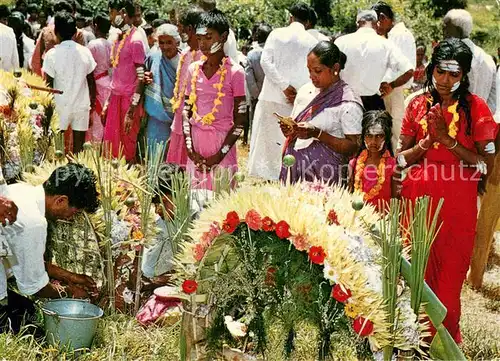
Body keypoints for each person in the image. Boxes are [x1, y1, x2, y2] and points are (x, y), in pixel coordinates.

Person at [396, 38, 498, 342]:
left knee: (450, 280)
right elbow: (401, 158)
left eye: (454, 75)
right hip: (417, 201)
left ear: (464, 76)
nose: (445, 81)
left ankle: (444, 344)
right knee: (416, 273)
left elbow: (486, 166)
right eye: (441, 72)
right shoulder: (416, 103)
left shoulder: (476, 109)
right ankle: (410, 342)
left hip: (457, 204)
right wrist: (427, 143)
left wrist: (447, 140)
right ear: (432, 69)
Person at [0, 163, 100, 334]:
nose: (70, 218)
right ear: (61, 200)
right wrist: (70, 293)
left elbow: (31, 260)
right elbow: (34, 288)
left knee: (27, 309)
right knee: (34, 333)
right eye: (74, 212)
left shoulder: (21, 190)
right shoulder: (34, 223)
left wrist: (71, 276)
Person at [248, 2, 318, 181]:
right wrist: (296, 91)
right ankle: (285, 175)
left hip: (272, 95)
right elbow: (313, 70)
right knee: (289, 139)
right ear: (308, 22)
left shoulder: (277, 33)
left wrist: (283, 86)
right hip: (296, 100)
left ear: (290, 18)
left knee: (265, 141)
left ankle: (263, 177)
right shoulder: (312, 41)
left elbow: (266, 62)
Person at [279, 41, 363, 185]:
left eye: (317, 71)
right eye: (309, 70)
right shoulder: (307, 91)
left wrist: (317, 134)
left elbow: (353, 147)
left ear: (335, 68)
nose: (311, 76)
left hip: (326, 178)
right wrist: (290, 129)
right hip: (297, 170)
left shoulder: (348, 103)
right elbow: (298, 125)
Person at [182, 9, 246, 190]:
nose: (202, 43)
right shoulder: (193, 69)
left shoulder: (235, 73)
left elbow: (240, 120)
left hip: (222, 145)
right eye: (200, 38)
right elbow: (186, 111)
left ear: (223, 37)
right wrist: (190, 148)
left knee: (220, 204)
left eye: (208, 37)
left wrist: (219, 155)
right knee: (194, 199)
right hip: (195, 144)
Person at [334, 10, 413, 112]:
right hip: (374, 105)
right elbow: (409, 71)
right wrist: (391, 85)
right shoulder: (386, 44)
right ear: (376, 24)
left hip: (344, 102)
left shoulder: (340, 42)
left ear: (357, 23)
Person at [43, 11, 97, 154]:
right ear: (74, 32)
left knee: (57, 149)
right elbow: (91, 81)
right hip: (82, 105)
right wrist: (91, 105)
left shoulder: (52, 55)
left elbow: (48, 84)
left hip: (59, 106)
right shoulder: (85, 52)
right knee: (79, 149)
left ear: (56, 32)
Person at [102, 0, 146, 162]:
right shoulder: (119, 38)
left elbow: (141, 77)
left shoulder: (135, 40)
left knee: (127, 149)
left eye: (112, 12)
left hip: (129, 102)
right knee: (111, 149)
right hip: (115, 99)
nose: (110, 17)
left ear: (122, 13)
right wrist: (108, 101)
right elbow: (117, 74)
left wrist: (132, 108)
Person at [372, 1, 416, 149]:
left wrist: (391, 85)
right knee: (392, 133)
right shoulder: (393, 34)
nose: (375, 29)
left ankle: (400, 168)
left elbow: (405, 70)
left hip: (396, 90)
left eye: (375, 24)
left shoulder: (398, 35)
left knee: (397, 133)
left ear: (382, 18)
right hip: (392, 89)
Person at [166, 7, 204, 168]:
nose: (178, 31)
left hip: (196, 120)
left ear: (190, 28)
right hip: (180, 117)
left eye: (180, 27)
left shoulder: (205, 55)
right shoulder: (185, 53)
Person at [443, 9, 496, 113]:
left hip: (453, 123)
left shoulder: (450, 55)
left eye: (446, 27)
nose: (443, 32)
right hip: (480, 123)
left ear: (458, 30)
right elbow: (493, 101)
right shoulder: (487, 59)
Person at [349, 111, 397, 212]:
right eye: (369, 136)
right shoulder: (353, 164)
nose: (373, 142)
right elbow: (350, 195)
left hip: (383, 223)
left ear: (387, 137)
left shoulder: (393, 165)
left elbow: (396, 199)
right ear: (363, 137)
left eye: (379, 136)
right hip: (358, 219)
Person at [144, 24, 180, 150]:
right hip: (157, 116)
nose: (165, 46)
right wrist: (145, 78)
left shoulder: (184, 60)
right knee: (154, 154)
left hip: (178, 118)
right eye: (162, 42)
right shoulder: (154, 56)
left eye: (169, 42)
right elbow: (143, 74)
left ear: (177, 42)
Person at [31, 0, 85, 76]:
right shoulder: (78, 33)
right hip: (71, 76)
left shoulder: (46, 31)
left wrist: (38, 79)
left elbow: (36, 59)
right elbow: (82, 59)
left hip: (50, 76)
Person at [86, 13, 112, 142]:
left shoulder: (93, 44)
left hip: (96, 84)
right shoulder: (111, 44)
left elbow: (88, 68)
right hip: (108, 82)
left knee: (96, 120)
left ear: (95, 26)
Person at [244, 23, 271, 145]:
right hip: (273, 96)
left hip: (257, 97)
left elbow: (250, 79)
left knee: (255, 125)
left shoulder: (252, 54)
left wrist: (257, 95)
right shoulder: (274, 53)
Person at [0, 5, 19, 72]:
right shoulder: (9, 31)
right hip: (6, 76)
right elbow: (15, 58)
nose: (6, 23)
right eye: (4, 20)